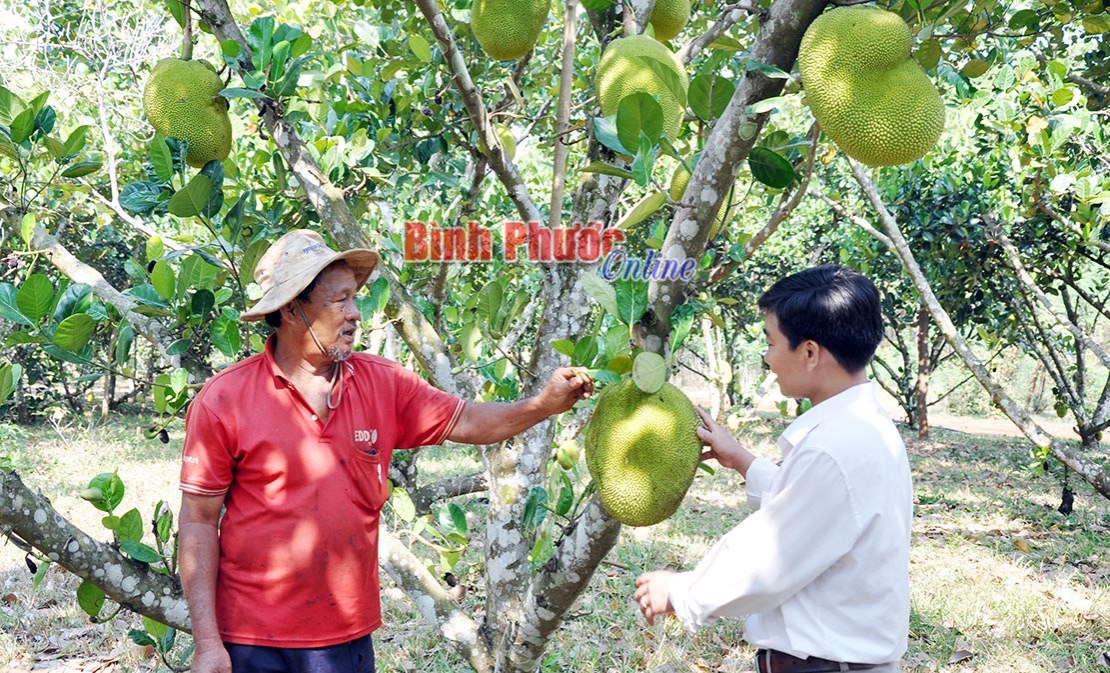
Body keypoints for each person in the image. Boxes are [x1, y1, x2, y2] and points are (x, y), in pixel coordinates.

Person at [178, 229, 592, 673]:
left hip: (344, 636)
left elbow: (470, 420)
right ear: (290, 309)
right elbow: (198, 521)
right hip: (251, 638)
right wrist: (208, 643)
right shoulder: (225, 400)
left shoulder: (382, 383)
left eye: (355, 298)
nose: (356, 314)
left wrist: (542, 405)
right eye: (339, 301)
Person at [633, 265, 912, 673]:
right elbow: (820, 511)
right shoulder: (864, 428)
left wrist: (680, 592)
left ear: (810, 353)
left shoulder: (833, 448)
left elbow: (768, 562)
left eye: (771, 342)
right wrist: (743, 461)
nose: (767, 358)